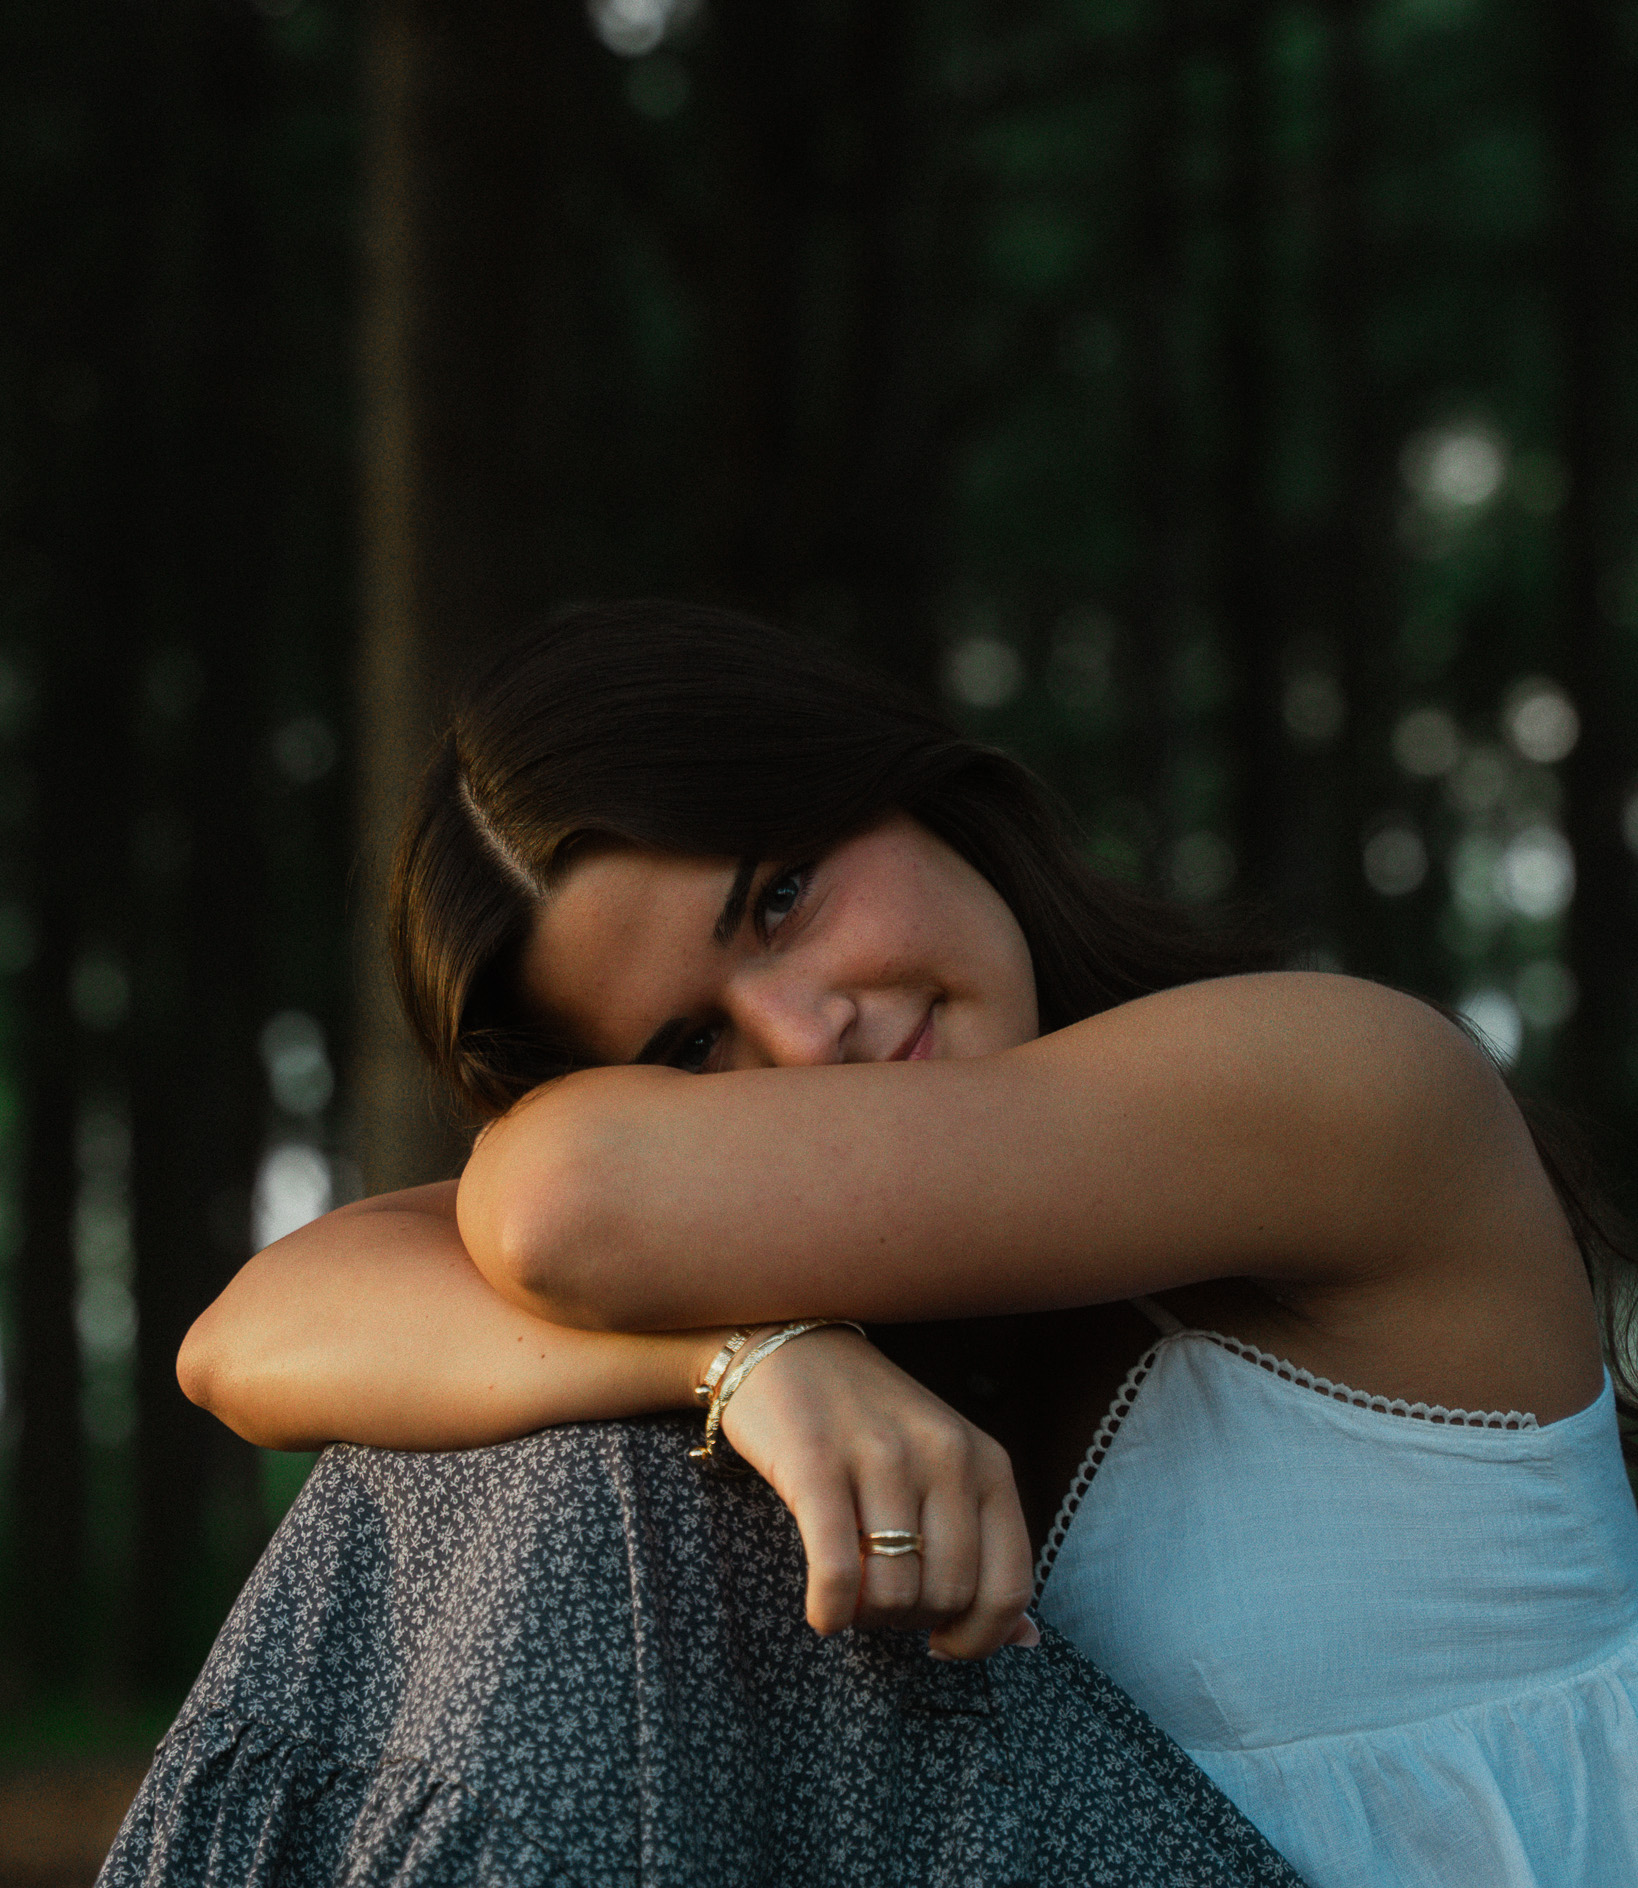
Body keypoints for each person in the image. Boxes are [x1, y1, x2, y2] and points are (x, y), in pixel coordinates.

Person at [151, 603, 1637, 1885]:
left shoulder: (1341, 1082)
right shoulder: (824, 1296)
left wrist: (703, 1328)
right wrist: (745, 1360)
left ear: (892, 776)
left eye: (782, 897)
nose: (807, 1036)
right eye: (684, 1048)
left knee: (577, 1466)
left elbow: (558, 1203)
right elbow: (249, 1330)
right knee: (531, 1453)